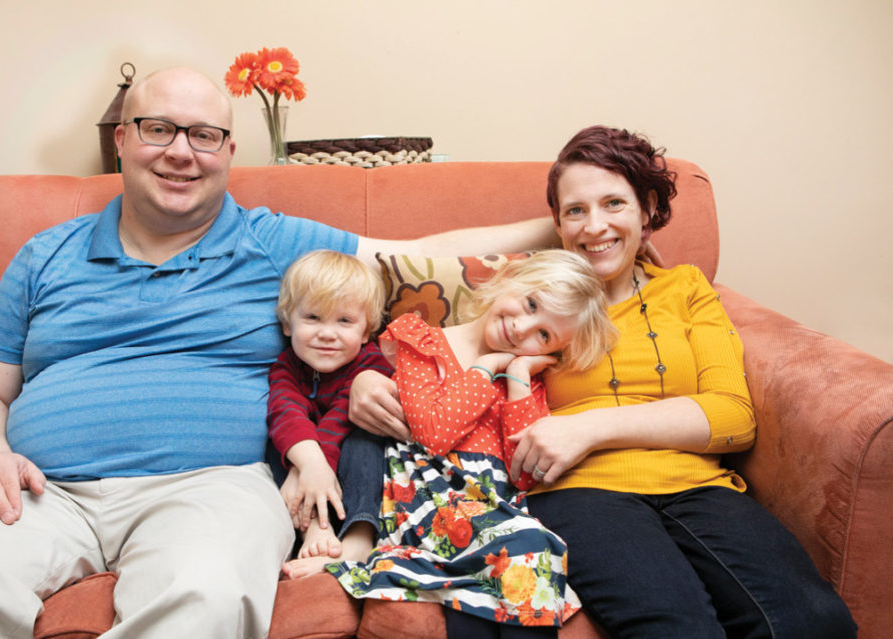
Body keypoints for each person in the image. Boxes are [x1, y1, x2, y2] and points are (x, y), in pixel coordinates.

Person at [0, 67, 565, 639]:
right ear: (123, 140)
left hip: (212, 486)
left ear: (228, 151)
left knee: (208, 593)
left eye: (203, 134)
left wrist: (574, 222)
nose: (181, 151)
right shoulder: (46, 255)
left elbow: (417, 256)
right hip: (42, 492)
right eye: (160, 128)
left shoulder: (273, 240)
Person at [351, 125, 857, 638]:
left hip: (699, 485)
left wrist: (588, 428)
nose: (595, 227)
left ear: (648, 208)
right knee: (677, 629)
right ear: (557, 224)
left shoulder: (684, 288)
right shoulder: (539, 296)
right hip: (581, 490)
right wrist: (365, 374)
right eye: (576, 211)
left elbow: (733, 416)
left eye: (614, 203)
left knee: (815, 621)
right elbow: (445, 342)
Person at [329, 250, 618, 637]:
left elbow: (525, 474)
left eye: (544, 335)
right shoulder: (420, 339)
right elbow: (434, 433)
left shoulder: (525, 383)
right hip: (426, 494)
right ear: (509, 278)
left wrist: (516, 376)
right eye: (530, 304)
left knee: (514, 563)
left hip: (491, 506)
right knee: (530, 546)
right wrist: (485, 368)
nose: (522, 329)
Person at [266, 249, 391, 579]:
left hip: (353, 471)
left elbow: (339, 419)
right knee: (277, 440)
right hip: (313, 471)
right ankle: (313, 534)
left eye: (345, 321)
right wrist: (304, 465)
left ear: (366, 333)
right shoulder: (286, 367)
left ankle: (358, 540)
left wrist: (311, 468)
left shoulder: (371, 364)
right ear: (287, 324)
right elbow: (285, 411)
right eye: (313, 318)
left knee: (365, 438)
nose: (327, 333)